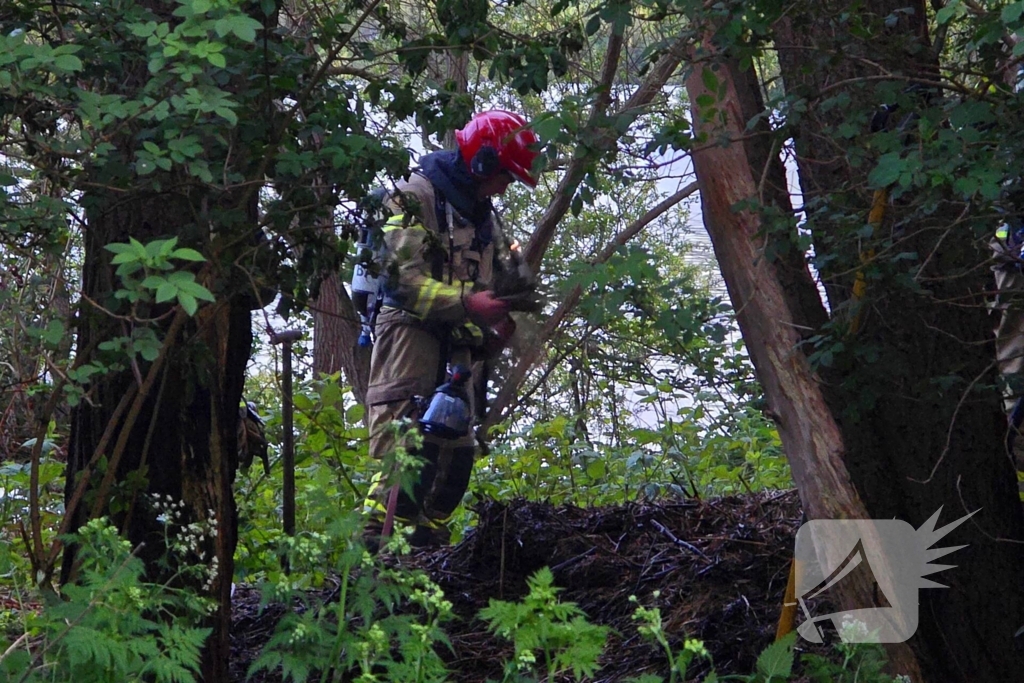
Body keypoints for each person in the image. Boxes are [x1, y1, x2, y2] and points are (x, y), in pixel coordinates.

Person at [363, 109, 539, 547]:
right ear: (479, 162)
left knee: (449, 473)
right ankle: (371, 580)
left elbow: (510, 281)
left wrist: (506, 322)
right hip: (408, 345)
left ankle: (428, 579)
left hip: (459, 355)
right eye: (504, 175)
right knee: (402, 471)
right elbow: (398, 279)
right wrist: (466, 303)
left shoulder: (483, 217)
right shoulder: (411, 196)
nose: (505, 186)